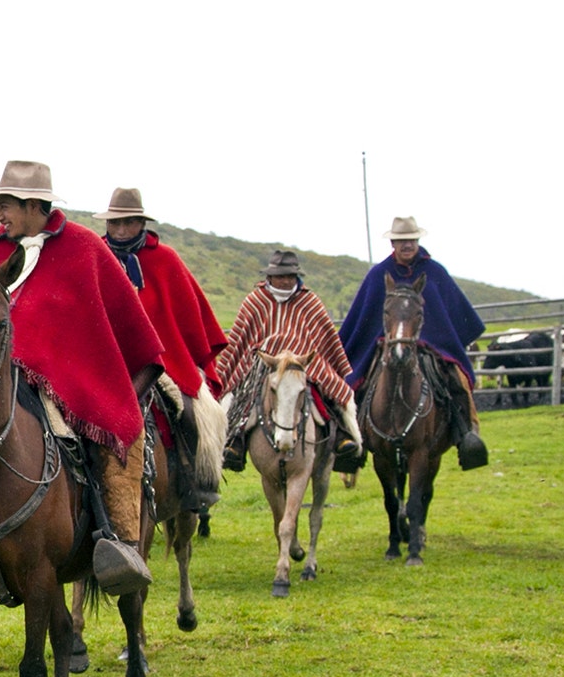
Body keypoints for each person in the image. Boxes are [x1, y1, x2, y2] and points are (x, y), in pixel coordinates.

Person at [0, 160, 166, 599]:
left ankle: (115, 543)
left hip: (68, 400)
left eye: (4, 206)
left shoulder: (85, 249)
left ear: (33, 205)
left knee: (109, 448)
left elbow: (134, 331)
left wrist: (115, 398)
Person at [96, 187, 227, 506]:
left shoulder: (164, 259)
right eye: (116, 223)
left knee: (191, 414)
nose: (122, 230)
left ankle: (198, 485)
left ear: (142, 223)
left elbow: (187, 312)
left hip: (161, 362)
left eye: (129, 222)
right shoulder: (95, 255)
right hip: (105, 359)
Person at [337, 216, 488, 468]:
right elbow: (363, 317)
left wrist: (436, 340)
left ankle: (466, 435)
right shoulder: (379, 275)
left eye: (411, 240)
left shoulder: (434, 271)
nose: (407, 245)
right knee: (357, 382)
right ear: (393, 243)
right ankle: (353, 442)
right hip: (386, 343)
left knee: (456, 379)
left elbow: (449, 311)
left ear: (417, 241)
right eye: (402, 241)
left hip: (432, 345)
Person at [216, 249, 362, 468]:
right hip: (263, 365)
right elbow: (240, 340)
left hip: (302, 363)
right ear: (270, 276)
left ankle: (341, 434)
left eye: (290, 276)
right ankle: (235, 440)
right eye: (280, 276)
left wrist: (308, 359)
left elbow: (326, 338)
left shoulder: (309, 301)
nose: (285, 281)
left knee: (324, 390)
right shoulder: (256, 301)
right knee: (246, 395)